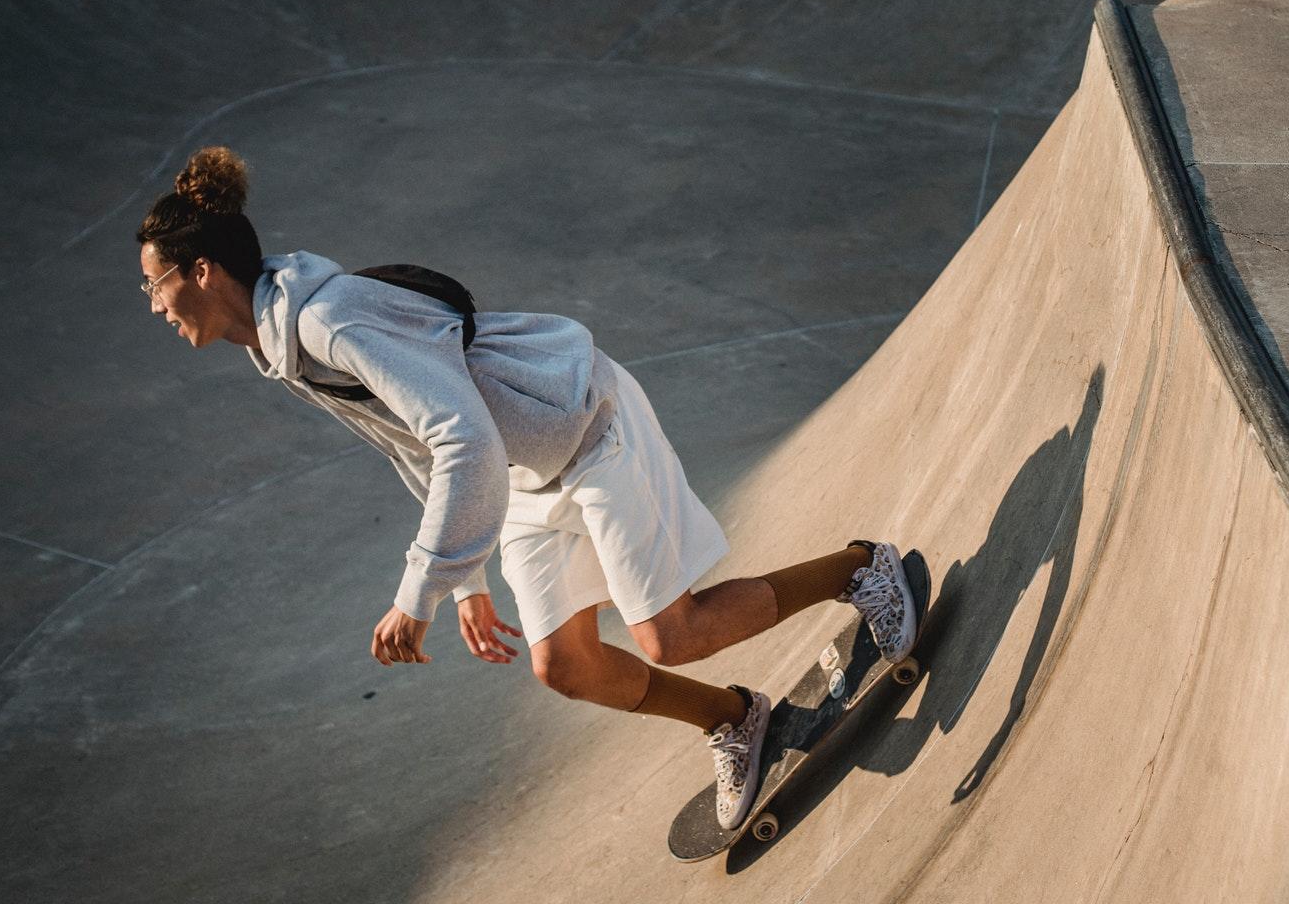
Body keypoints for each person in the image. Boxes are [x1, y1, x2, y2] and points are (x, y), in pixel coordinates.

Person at [135, 147, 920, 829]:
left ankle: (862, 569)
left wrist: (418, 592)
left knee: (670, 634)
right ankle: (736, 718)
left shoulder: (324, 322)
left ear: (202, 271)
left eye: (154, 283)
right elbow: (413, 446)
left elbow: (461, 437)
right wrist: (466, 581)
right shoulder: (280, 345)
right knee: (566, 665)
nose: (155, 305)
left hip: (582, 426)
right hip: (521, 472)